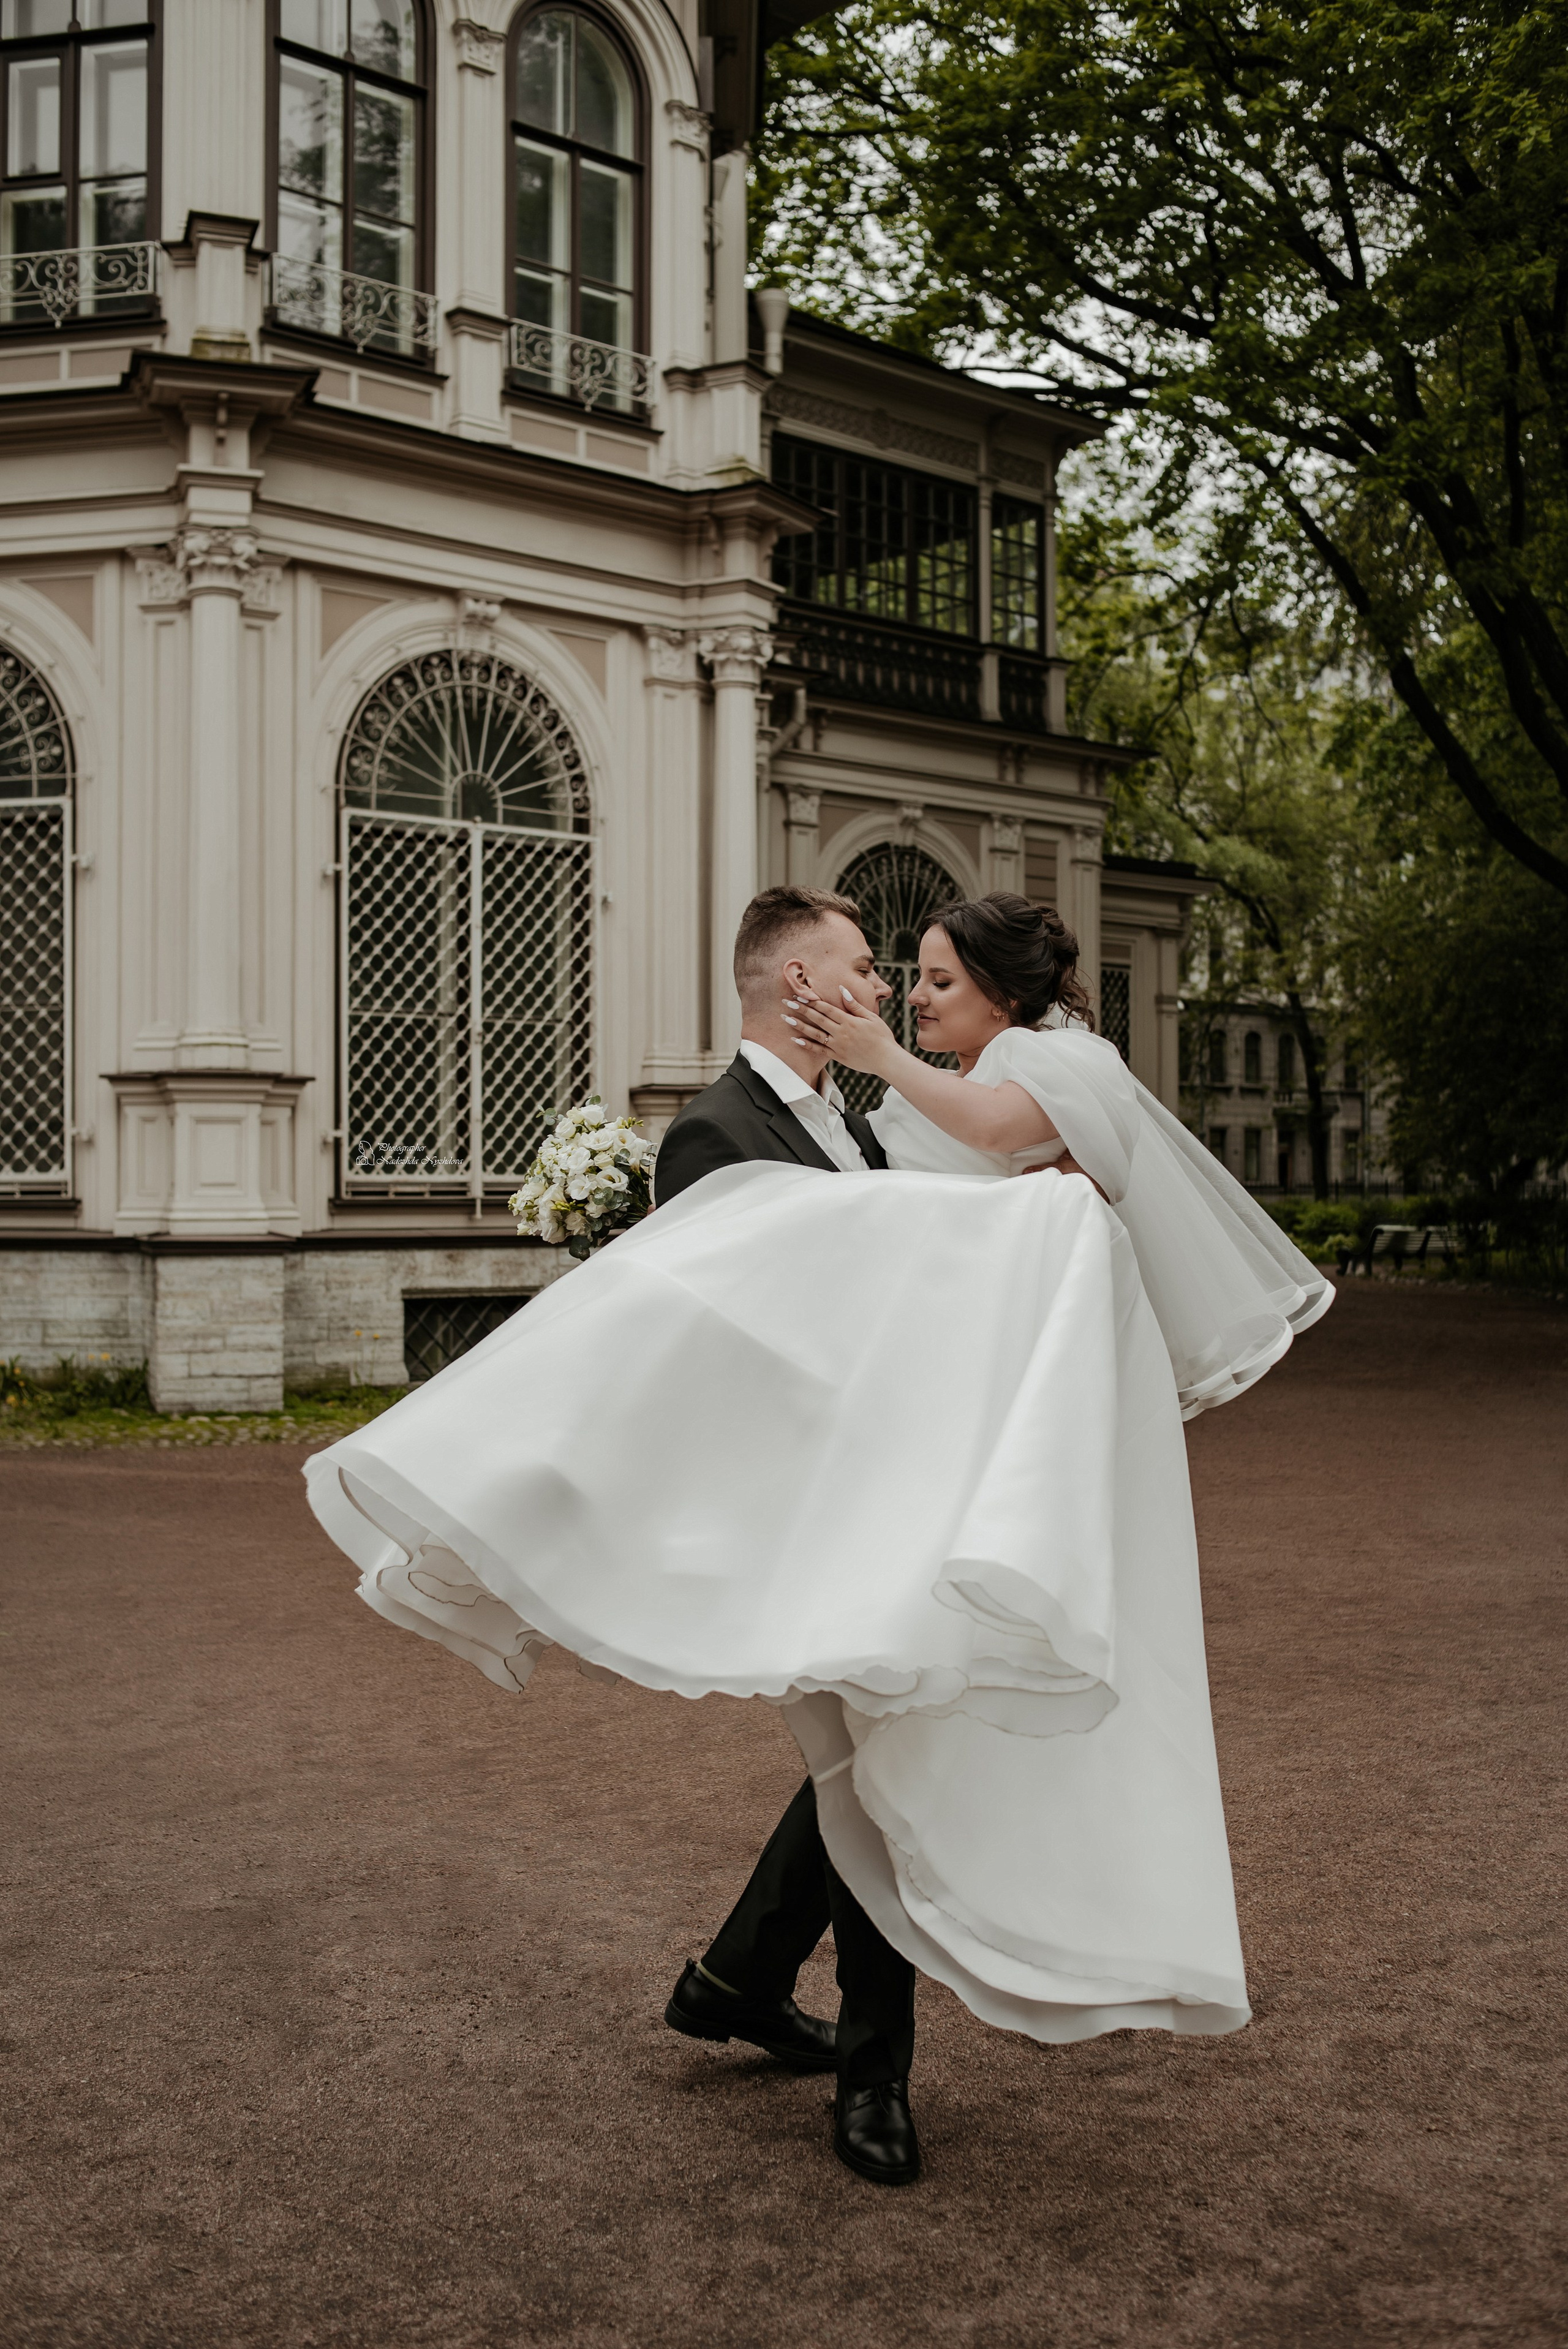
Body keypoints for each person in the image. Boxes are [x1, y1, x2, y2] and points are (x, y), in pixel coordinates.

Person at [305, 887, 1330, 2190]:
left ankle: (737, 1977)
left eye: (912, 976)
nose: (890, 992)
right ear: (799, 986)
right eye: (864, 968)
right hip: (801, 1510)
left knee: (886, 1745)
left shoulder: (866, 1123)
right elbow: (728, 1341)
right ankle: (871, 2077)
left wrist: (1036, 1210)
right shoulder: (712, 1135)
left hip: (898, 1488)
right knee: (878, 1753)